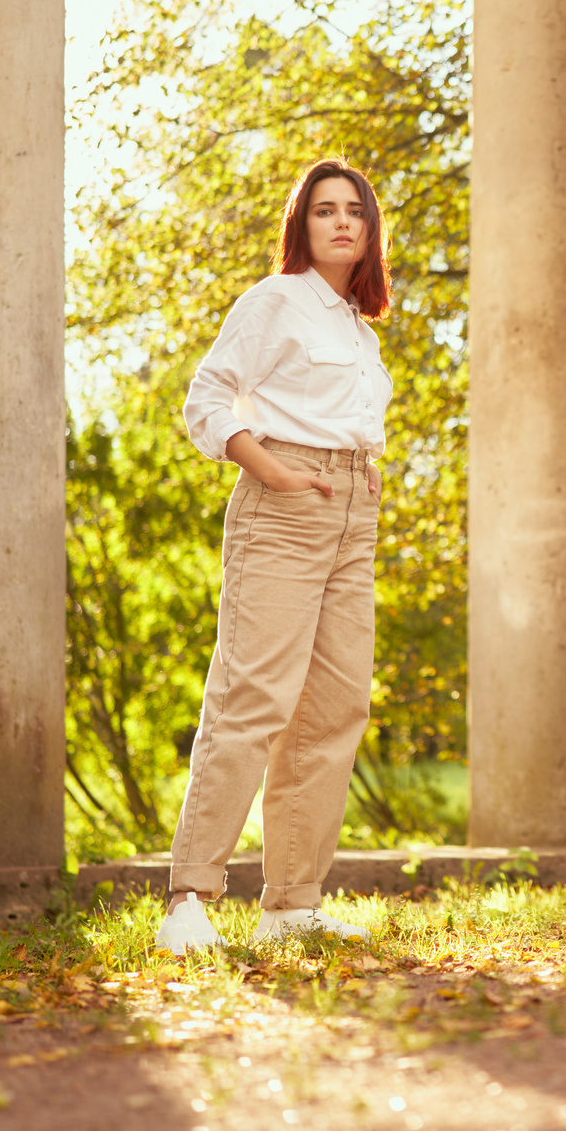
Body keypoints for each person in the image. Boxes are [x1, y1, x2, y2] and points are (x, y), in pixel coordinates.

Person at [155, 158, 395, 951]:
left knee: (334, 708)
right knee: (253, 695)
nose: (342, 221)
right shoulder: (274, 300)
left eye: (354, 210)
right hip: (286, 506)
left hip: (352, 514)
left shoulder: (358, 327)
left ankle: (292, 904)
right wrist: (273, 470)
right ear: (302, 223)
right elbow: (206, 398)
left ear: (369, 229)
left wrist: (361, 475)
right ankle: (189, 899)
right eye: (325, 209)